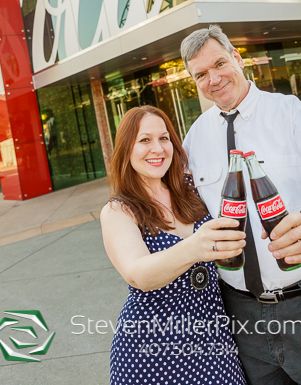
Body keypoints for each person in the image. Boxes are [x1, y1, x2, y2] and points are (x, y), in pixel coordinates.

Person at [181, 24, 301, 385]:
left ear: (237, 59)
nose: (214, 78)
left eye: (220, 64)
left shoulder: (289, 112)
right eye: (201, 74)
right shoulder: (194, 139)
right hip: (242, 313)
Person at [100, 105, 247, 385]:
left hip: (214, 341)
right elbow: (138, 274)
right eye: (144, 140)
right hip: (151, 352)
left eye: (164, 138)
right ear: (126, 149)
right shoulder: (119, 211)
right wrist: (195, 247)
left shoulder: (193, 191)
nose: (157, 148)